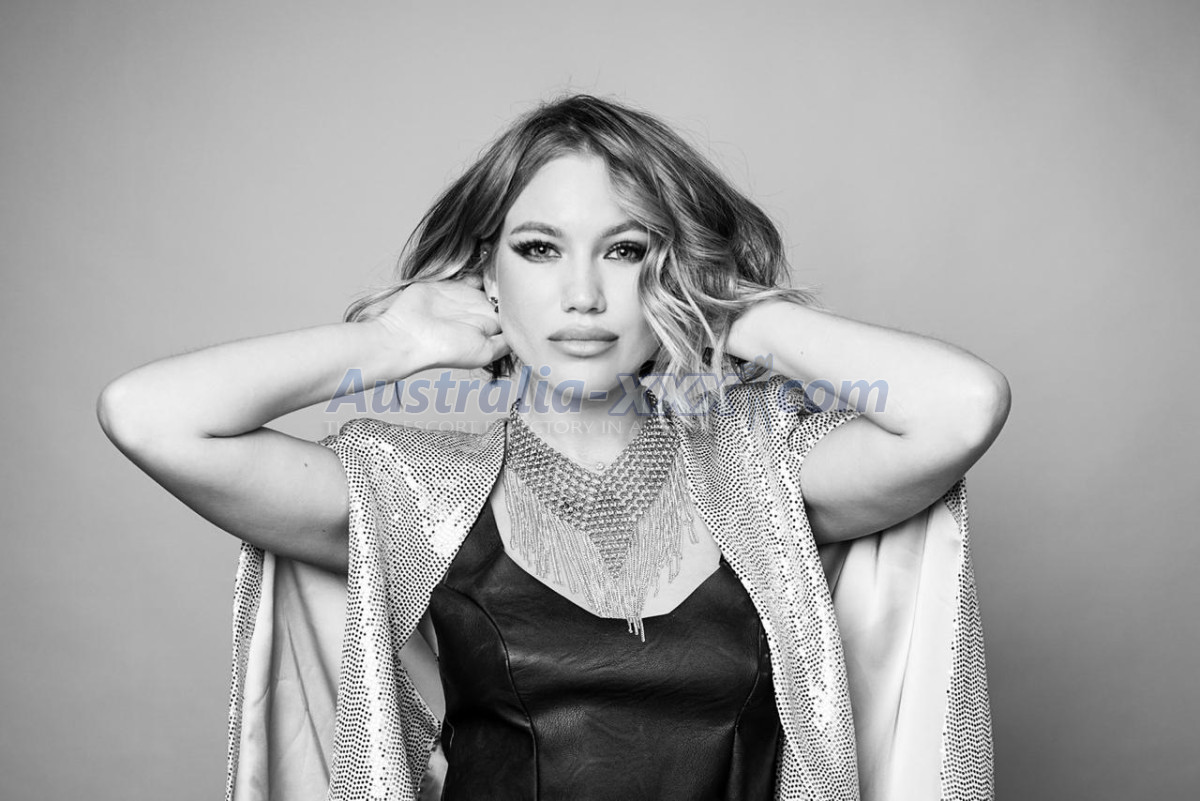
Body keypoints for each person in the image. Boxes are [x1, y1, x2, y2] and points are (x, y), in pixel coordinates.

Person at [97, 94, 1010, 801]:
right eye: (539, 248)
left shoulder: (769, 475)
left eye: (626, 250)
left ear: (675, 268)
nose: (583, 295)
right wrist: (394, 342)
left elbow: (963, 407)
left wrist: (735, 314)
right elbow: (148, 414)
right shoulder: (412, 496)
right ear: (486, 271)